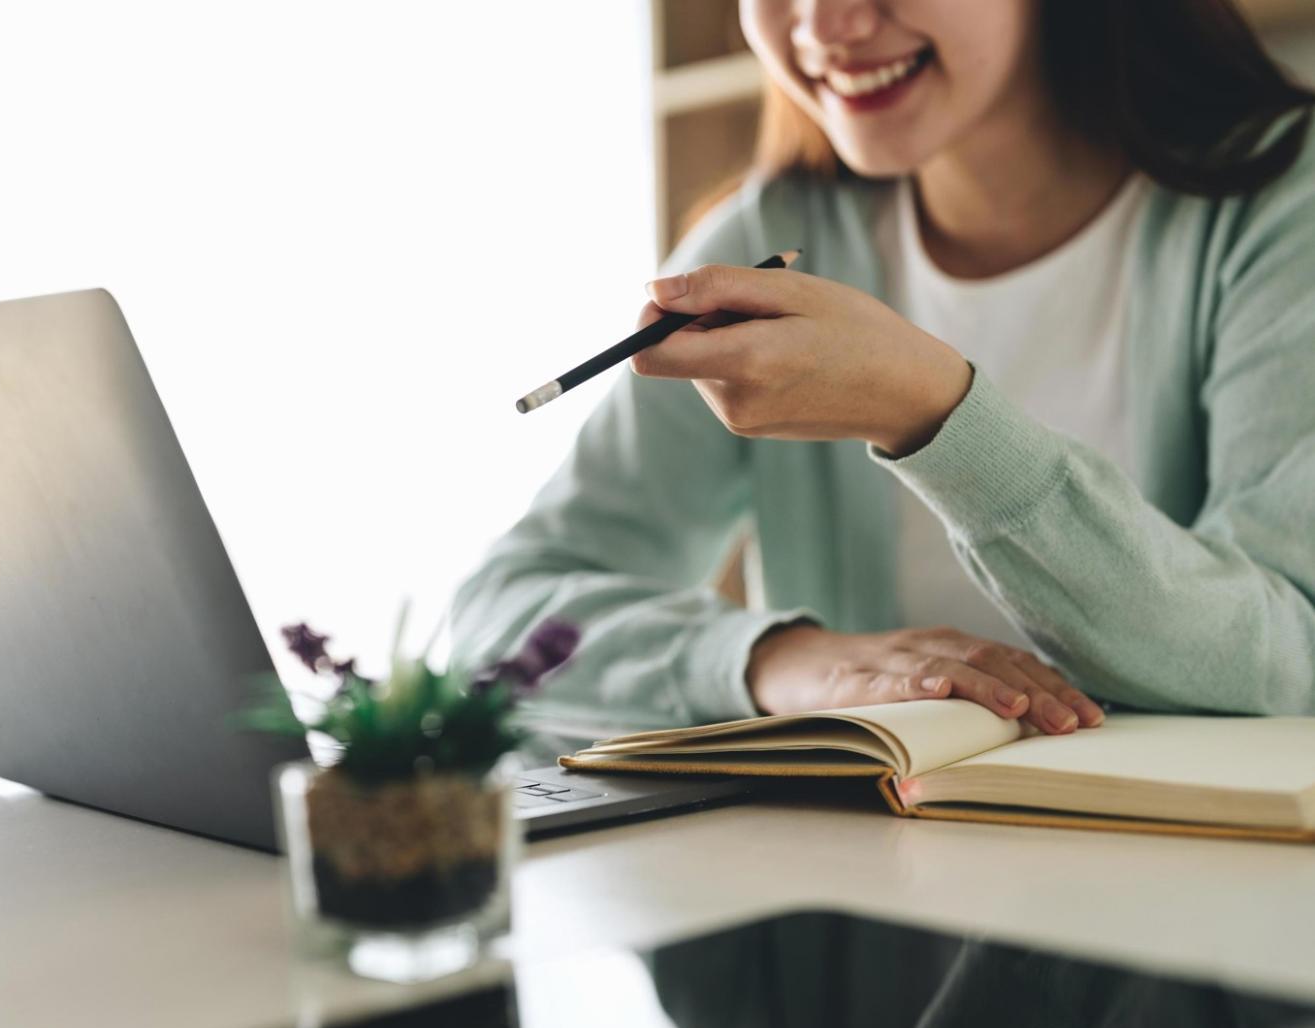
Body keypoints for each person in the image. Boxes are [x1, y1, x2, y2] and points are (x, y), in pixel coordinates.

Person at [451, 0, 1315, 740]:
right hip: (871, 898)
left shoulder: (1284, 206)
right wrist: (772, 662)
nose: (826, 25)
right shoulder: (775, 240)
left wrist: (934, 414)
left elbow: (1285, 665)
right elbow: (495, 625)